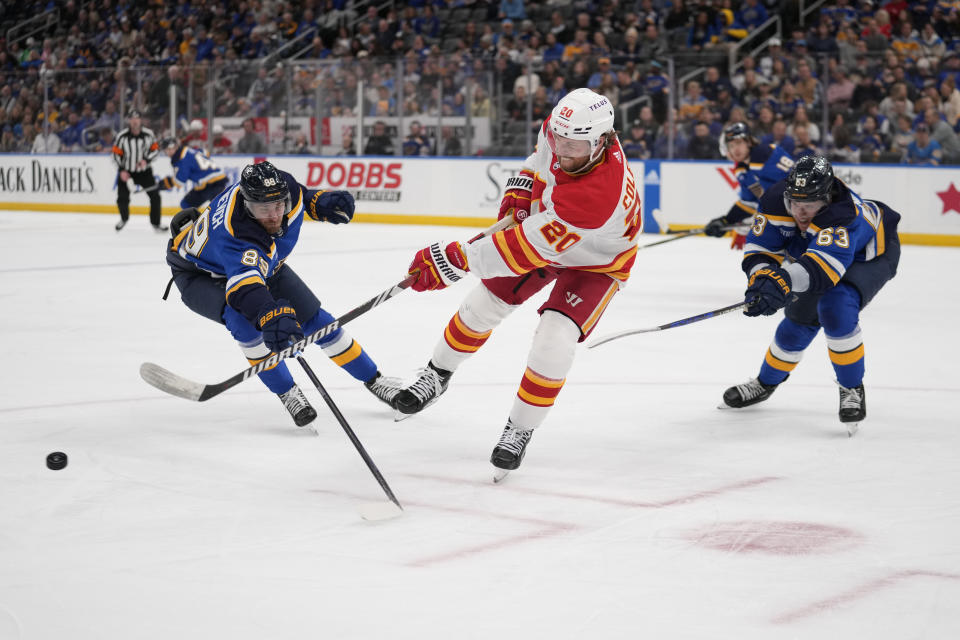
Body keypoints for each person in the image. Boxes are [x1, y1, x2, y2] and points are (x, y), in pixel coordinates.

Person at [393, 88, 641, 476]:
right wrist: (522, 187)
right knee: (483, 305)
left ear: (602, 141)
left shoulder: (598, 194)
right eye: (559, 138)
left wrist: (456, 259)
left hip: (596, 263)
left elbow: (524, 249)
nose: (562, 150)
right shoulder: (564, 127)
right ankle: (437, 375)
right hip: (548, 230)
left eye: (574, 145)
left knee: (553, 339)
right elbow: (540, 160)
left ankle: (520, 428)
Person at [163, 161, 403, 428]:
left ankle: (374, 379)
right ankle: (287, 392)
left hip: (263, 264)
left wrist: (319, 202)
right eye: (263, 210)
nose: (275, 216)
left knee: (317, 321)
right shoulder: (236, 234)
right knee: (244, 323)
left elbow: (302, 195)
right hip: (199, 274)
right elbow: (246, 288)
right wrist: (269, 314)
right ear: (247, 205)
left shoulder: (283, 186)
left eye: (279, 206)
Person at [721, 156, 901, 434]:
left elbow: (821, 271)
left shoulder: (842, 214)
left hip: (871, 254)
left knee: (835, 306)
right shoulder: (774, 201)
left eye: (810, 205)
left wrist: (779, 281)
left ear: (827, 198)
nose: (801, 213)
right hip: (821, 256)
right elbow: (759, 251)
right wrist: (760, 280)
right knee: (797, 321)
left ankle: (852, 388)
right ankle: (765, 382)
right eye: (795, 204)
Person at [704, 122, 795, 249]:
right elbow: (749, 202)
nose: (736, 149)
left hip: (802, 214)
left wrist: (756, 222)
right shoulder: (743, 169)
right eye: (731, 145)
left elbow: (787, 189)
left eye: (739, 143)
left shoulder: (761, 154)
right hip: (788, 218)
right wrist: (726, 221)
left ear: (749, 142)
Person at [112, 109, 164, 232]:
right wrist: (121, 170)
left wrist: (146, 160)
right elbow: (115, 154)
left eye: (137, 118)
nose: (135, 121)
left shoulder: (149, 134)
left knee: (155, 196)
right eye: (132, 119)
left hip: (145, 172)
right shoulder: (122, 136)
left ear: (141, 120)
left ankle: (156, 224)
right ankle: (124, 219)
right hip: (127, 172)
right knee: (122, 198)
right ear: (129, 121)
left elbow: (155, 150)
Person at [156, 138, 230, 211]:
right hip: (214, 181)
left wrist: (167, 182)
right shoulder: (188, 150)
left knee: (216, 209)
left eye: (169, 149)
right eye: (166, 150)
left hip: (213, 184)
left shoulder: (181, 158)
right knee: (186, 204)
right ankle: (198, 222)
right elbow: (205, 152)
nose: (167, 152)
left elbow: (180, 181)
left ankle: (200, 222)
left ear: (175, 147)